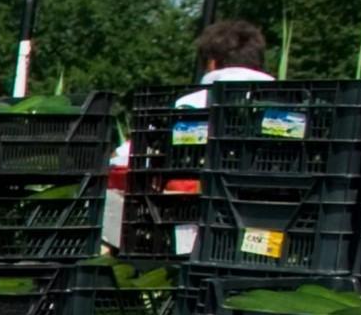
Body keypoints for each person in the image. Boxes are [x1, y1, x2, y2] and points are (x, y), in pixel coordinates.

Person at [105, 19, 280, 256]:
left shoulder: (188, 105)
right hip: (271, 225)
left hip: (193, 224)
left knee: (107, 204)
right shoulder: (289, 107)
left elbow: (131, 159)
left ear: (212, 63)